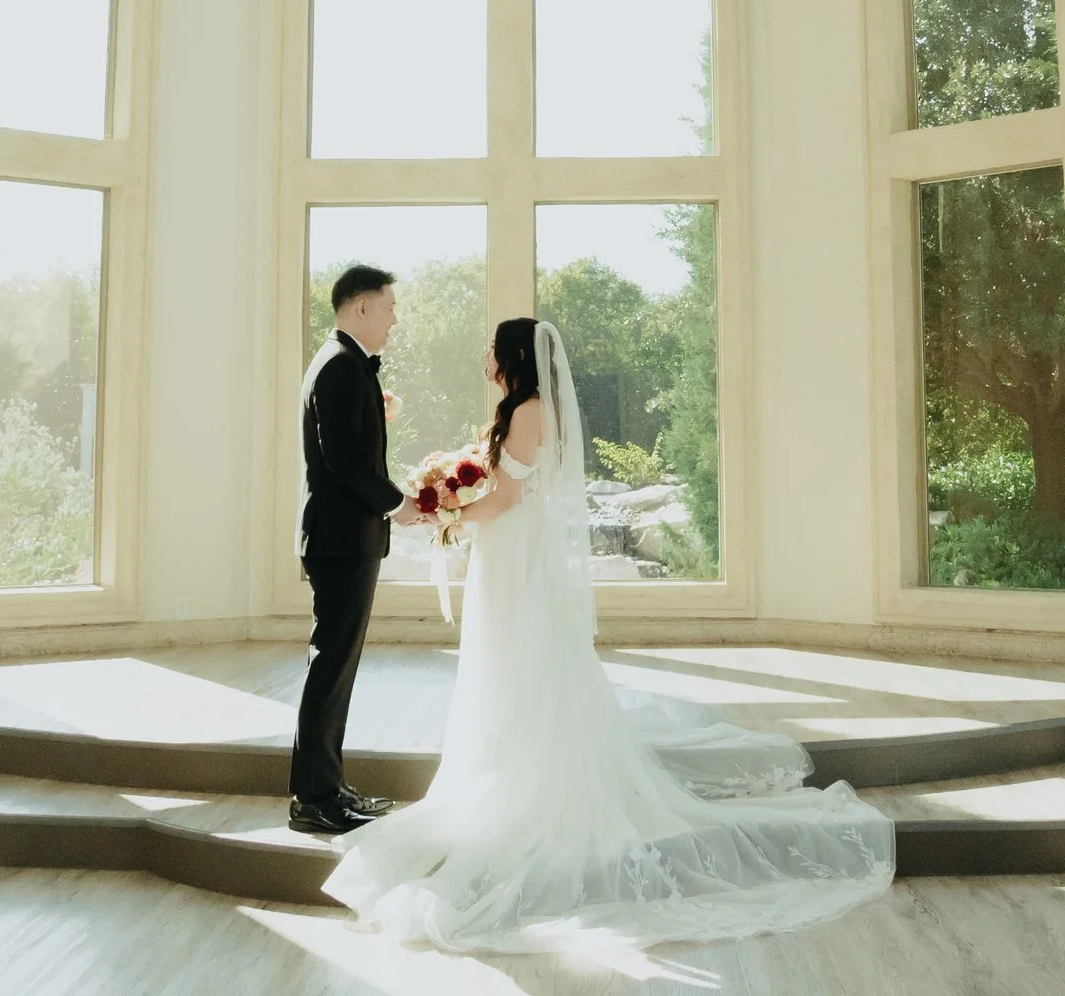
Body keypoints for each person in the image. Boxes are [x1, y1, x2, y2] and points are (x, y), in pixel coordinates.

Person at [324, 317, 894, 951]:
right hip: (510, 552)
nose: (483, 356)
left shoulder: (528, 409)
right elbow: (509, 486)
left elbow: (508, 497)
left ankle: (529, 768)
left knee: (521, 660)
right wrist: (455, 504)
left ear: (513, 355)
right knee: (517, 660)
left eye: (490, 348)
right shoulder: (525, 407)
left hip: (515, 552)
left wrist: (444, 513)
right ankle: (512, 751)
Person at [287, 264, 422, 835]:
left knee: (338, 668)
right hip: (342, 541)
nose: (395, 318)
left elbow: (348, 445)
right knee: (331, 666)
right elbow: (345, 464)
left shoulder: (343, 364)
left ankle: (329, 785)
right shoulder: (341, 366)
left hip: (343, 539)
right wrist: (399, 504)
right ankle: (313, 798)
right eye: (389, 307)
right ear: (361, 306)